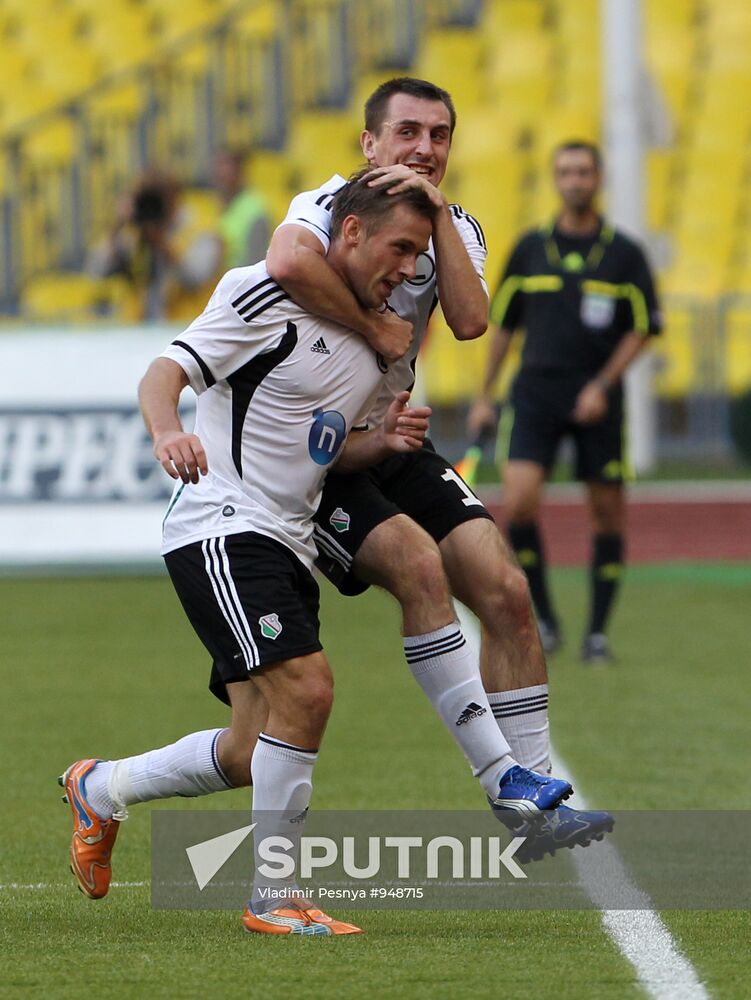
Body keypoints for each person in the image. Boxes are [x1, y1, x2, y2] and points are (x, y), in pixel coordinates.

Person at [59, 174, 574, 937]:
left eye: (418, 254)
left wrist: (382, 444)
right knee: (309, 689)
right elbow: (164, 371)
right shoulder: (261, 293)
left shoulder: (374, 344)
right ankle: (274, 896)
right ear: (354, 233)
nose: (408, 269)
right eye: (400, 249)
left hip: (286, 539)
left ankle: (100, 788)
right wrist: (168, 430)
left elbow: (318, 447)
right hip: (222, 526)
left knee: (247, 748)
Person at [267, 78, 614, 856]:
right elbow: (287, 260)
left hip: (395, 440)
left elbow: (468, 320)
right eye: (408, 133)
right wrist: (374, 327)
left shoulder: (456, 228)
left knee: (506, 589)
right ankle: (500, 783)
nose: (424, 148)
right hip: (317, 454)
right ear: (368, 144)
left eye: (439, 136)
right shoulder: (325, 204)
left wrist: (432, 212)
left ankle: (537, 801)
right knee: (419, 574)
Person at [467, 140, 662, 664]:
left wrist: (603, 384)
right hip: (535, 392)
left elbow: (645, 327)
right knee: (521, 501)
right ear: (555, 180)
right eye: (565, 171)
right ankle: (546, 620)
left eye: (583, 171)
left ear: (598, 180)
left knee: (606, 512)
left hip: (598, 397)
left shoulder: (624, 255)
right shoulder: (531, 249)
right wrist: (484, 396)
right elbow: (503, 326)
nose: (574, 179)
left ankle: (597, 633)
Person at [87, 167, 222, 321]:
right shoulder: (135, 234)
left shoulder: (202, 230)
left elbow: (197, 278)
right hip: (140, 330)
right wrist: (116, 226)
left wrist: (163, 244)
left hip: (188, 329)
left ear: (175, 196)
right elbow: (97, 272)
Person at [212, 147, 271, 269]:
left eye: (226, 166)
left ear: (240, 171)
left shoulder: (256, 212)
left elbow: (255, 264)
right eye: (218, 166)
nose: (220, 173)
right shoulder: (223, 206)